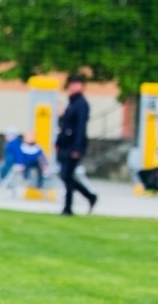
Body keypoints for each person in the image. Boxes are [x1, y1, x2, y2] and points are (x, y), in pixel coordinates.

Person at [56, 73, 97, 216]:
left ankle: (69, 207)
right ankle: (89, 197)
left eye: (77, 83)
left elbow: (80, 128)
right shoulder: (72, 103)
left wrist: (77, 148)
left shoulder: (81, 104)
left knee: (67, 176)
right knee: (65, 176)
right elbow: (66, 126)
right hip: (66, 145)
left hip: (73, 146)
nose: (74, 86)